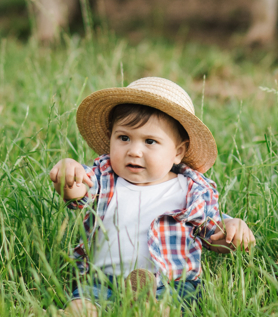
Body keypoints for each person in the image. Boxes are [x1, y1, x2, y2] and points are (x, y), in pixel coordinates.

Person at [49, 77, 255, 314]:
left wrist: (232, 228)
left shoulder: (191, 190)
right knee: (79, 307)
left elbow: (213, 235)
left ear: (178, 152)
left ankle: (146, 304)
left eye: (150, 141)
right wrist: (68, 173)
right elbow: (77, 193)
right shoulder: (105, 178)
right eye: (124, 138)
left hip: (170, 285)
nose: (134, 151)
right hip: (101, 280)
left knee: (162, 309)